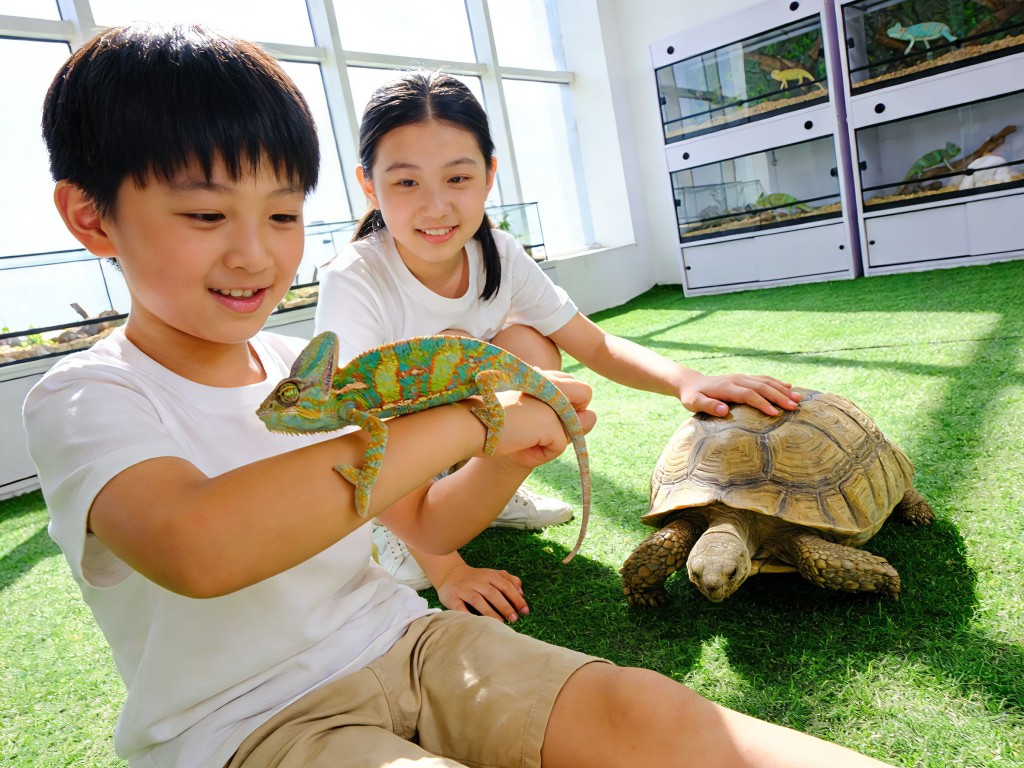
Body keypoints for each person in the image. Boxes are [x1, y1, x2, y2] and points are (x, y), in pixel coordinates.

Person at [23, 23, 895, 768]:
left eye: (283, 215)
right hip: (247, 723)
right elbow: (201, 548)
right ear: (92, 217)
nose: (255, 255)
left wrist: (508, 452)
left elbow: (427, 526)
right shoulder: (86, 396)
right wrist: (464, 427)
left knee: (658, 716)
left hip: (405, 639)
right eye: (207, 216)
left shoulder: (302, 367)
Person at [315, 70, 803, 621]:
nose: (436, 207)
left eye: (458, 178)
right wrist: (448, 568)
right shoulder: (354, 279)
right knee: (448, 355)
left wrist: (687, 381)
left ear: (489, 174)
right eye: (406, 183)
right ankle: (402, 529)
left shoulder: (495, 249)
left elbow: (592, 344)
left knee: (533, 349)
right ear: (368, 185)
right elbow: (358, 428)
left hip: (464, 418)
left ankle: (480, 491)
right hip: (389, 451)